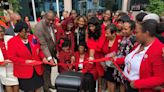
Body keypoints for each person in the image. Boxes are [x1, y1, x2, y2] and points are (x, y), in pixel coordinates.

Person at [114, 19, 164, 92]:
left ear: (146, 33)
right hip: (130, 85)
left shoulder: (158, 50)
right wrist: (116, 60)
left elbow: (160, 78)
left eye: (136, 32)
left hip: (140, 88)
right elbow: (131, 58)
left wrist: (138, 84)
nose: (134, 35)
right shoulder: (139, 44)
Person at [7, 21, 46, 92]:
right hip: (24, 71)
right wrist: (25, 61)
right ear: (19, 32)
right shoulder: (12, 42)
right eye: (25, 32)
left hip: (36, 70)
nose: (27, 34)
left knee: (39, 88)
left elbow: (39, 50)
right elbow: (11, 57)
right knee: (29, 90)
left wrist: (43, 58)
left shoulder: (33, 38)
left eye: (28, 31)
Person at [34, 10, 56, 92]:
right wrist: (49, 58)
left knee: (49, 70)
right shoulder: (39, 27)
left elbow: (52, 37)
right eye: (49, 20)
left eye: (53, 20)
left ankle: (49, 84)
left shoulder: (51, 24)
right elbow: (43, 45)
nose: (51, 22)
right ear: (44, 17)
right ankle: (46, 88)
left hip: (51, 51)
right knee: (45, 71)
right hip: (44, 54)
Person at [86, 17, 105, 92]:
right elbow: (89, 44)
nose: (91, 28)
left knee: (100, 80)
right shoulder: (90, 33)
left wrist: (92, 50)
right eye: (90, 26)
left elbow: (99, 47)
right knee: (92, 77)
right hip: (92, 57)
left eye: (93, 26)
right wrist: (91, 57)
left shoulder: (103, 32)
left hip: (100, 58)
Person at [101, 24, 122, 92]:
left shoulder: (120, 40)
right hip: (107, 66)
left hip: (116, 67)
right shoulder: (105, 40)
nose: (105, 35)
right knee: (109, 82)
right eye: (105, 33)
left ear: (113, 33)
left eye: (107, 33)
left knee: (115, 85)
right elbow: (101, 51)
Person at [0, 25, 19, 92]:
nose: (0, 33)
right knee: (7, 85)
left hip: (13, 66)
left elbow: (18, 49)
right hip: (3, 68)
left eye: (1, 31)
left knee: (16, 84)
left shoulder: (10, 38)